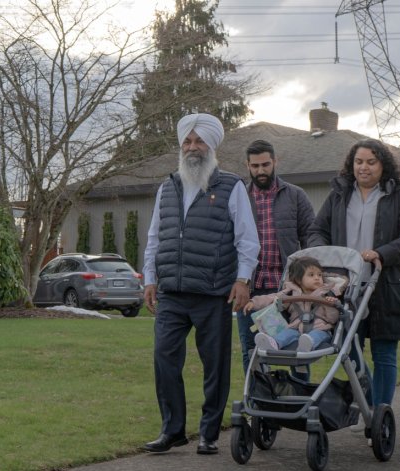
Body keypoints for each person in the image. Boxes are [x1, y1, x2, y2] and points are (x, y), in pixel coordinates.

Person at [140, 113, 259, 455]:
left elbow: (247, 241)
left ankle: (209, 433)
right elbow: (154, 238)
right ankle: (172, 430)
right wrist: (150, 278)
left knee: (216, 366)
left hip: (213, 293)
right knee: (164, 359)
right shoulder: (167, 187)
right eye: (187, 142)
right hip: (172, 294)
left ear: (212, 145)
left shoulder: (232, 186)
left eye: (199, 141)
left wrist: (242, 280)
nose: (193, 148)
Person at [309, 138, 400, 414]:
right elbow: (317, 230)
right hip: (345, 287)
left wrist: (382, 253)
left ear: (384, 165)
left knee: (384, 354)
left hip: (385, 283)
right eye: (359, 162)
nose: (364, 168)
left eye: (371, 162)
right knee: (350, 352)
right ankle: (372, 408)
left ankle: (381, 413)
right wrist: (321, 253)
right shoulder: (339, 194)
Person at [238, 139, 316, 372]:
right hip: (250, 290)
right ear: (248, 166)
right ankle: (257, 402)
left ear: (275, 162)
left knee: (296, 348)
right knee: (252, 351)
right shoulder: (239, 196)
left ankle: (300, 402)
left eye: (265, 164)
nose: (260, 171)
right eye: (255, 166)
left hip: (288, 290)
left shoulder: (295, 195)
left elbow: (310, 236)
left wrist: (307, 279)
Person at [244, 256, 343, 352]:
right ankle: (274, 343)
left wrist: (330, 304)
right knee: (286, 334)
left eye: (319, 275)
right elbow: (272, 298)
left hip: (320, 329)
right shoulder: (291, 293)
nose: (317, 278)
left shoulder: (326, 294)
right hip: (296, 329)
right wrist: (254, 302)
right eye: (311, 275)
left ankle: (308, 344)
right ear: (299, 280)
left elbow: (333, 319)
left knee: (317, 335)